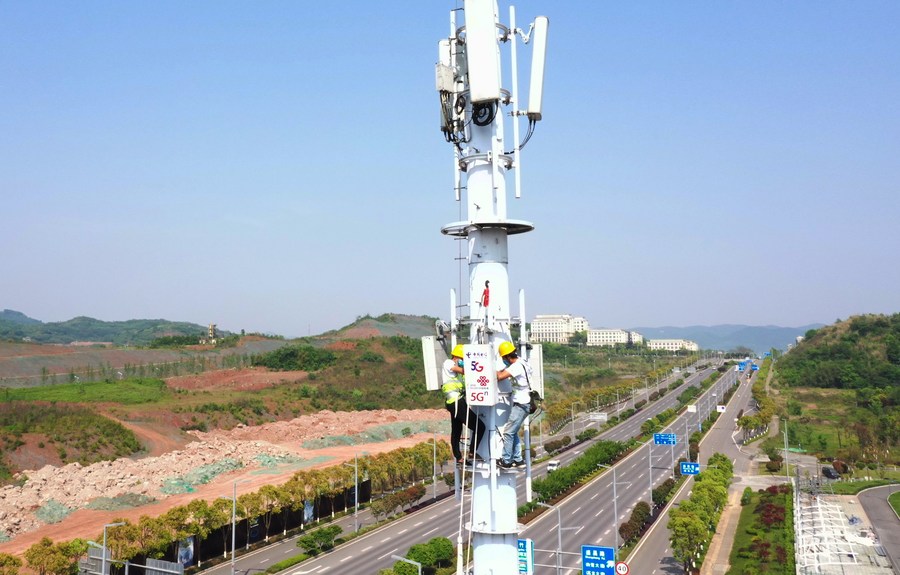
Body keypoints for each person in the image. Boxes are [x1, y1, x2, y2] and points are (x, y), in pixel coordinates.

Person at [442, 344, 485, 464]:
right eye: (462, 359)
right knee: (479, 427)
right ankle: (472, 452)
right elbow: (463, 370)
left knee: (457, 429)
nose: (463, 361)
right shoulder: (448, 363)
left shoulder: (458, 376)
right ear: (456, 357)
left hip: (455, 401)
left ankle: (459, 458)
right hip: (456, 402)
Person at [496, 340, 533, 468]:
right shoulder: (522, 362)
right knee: (513, 431)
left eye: (503, 358)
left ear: (507, 356)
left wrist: (490, 369)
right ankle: (517, 459)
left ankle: (506, 461)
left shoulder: (516, 366)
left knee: (508, 432)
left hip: (522, 403)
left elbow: (500, 377)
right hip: (525, 402)